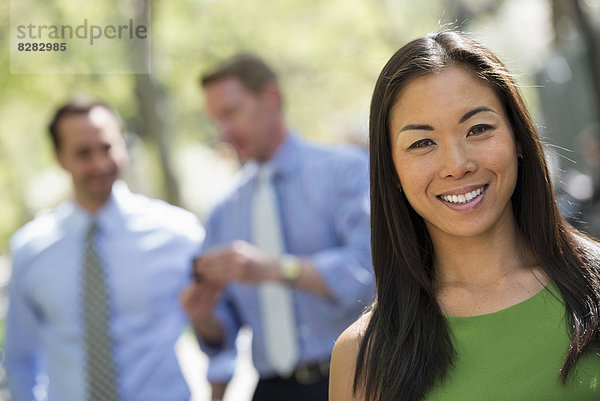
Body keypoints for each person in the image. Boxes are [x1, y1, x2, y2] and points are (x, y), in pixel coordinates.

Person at [330, 31, 600, 401]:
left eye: (478, 129)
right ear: (391, 168)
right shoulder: (363, 355)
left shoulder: (595, 288)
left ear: (519, 137)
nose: (456, 165)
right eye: (422, 143)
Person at [180, 53, 374, 401]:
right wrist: (203, 316)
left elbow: (369, 270)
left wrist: (274, 269)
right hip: (271, 388)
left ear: (271, 98)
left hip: (357, 376)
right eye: (216, 120)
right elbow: (222, 332)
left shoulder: (347, 172)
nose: (224, 131)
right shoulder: (224, 211)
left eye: (231, 113)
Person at [5, 97, 204, 401]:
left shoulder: (178, 233)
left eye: (107, 148)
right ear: (60, 158)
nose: (100, 164)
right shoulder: (30, 250)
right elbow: (20, 357)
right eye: (84, 153)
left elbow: (218, 329)